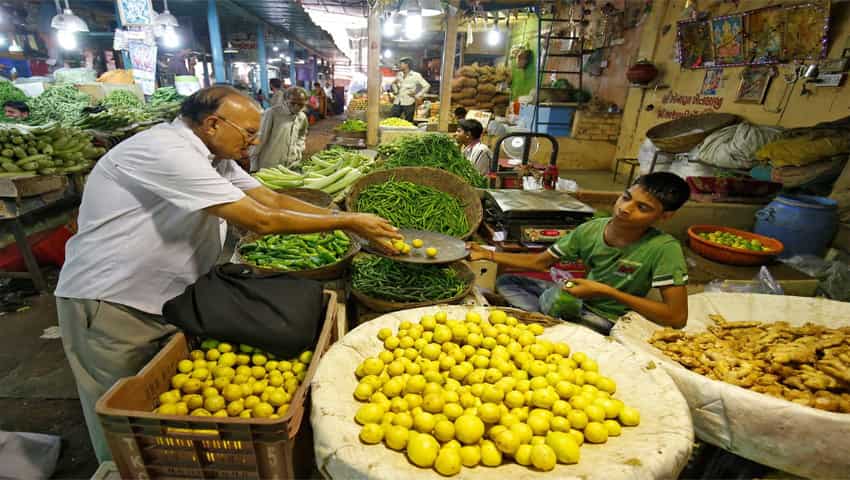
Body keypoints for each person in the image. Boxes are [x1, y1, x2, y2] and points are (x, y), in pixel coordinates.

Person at [54, 86, 400, 463]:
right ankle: (117, 470)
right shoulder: (166, 151)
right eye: (249, 133)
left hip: (164, 297)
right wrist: (349, 222)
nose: (255, 141)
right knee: (122, 413)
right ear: (212, 124)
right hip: (112, 300)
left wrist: (344, 219)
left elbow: (271, 199)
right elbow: (262, 220)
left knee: (165, 403)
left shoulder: (214, 157)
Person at [468, 172, 691, 334]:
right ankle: (552, 319)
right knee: (507, 281)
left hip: (608, 317)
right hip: (578, 298)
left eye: (642, 208)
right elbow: (540, 262)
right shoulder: (592, 229)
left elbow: (677, 317)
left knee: (573, 317)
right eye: (626, 197)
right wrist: (488, 255)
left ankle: (550, 320)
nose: (625, 209)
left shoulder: (664, 248)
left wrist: (607, 291)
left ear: (665, 216)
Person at [251, 86, 309, 171]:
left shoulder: (302, 117)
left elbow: (302, 135)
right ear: (285, 100)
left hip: (291, 163)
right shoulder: (272, 113)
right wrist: (253, 165)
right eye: (292, 103)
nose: (296, 107)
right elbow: (260, 139)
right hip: (270, 164)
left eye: (301, 104)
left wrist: (299, 148)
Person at [390, 57, 430, 122]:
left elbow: (427, 86)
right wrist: (396, 91)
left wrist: (417, 95)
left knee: (408, 122)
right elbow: (393, 83)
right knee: (392, 120)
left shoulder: (416, 75)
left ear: (407, 64)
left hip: (409, 102)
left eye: (401, 64)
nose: (399, 65)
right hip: (398, 101)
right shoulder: (399, 74)